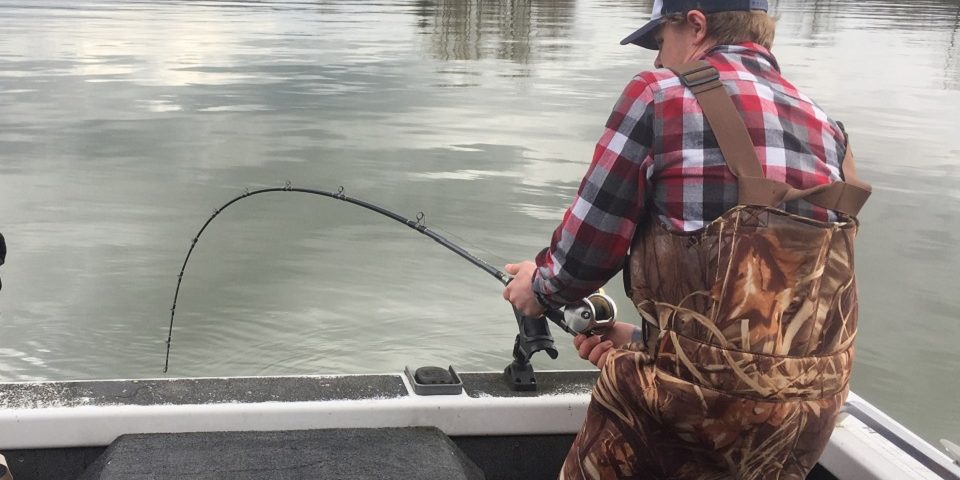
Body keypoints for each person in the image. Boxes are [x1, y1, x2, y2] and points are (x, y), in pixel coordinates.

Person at [502, 0, 871, 478]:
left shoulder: (659, 94)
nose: (657, 59)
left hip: (687, 411)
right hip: (806, 418)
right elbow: (771, 329)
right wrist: (642, 341)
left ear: (695, 25)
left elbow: (586, 250)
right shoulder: (827, 127)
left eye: (660, 41)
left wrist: (540, 287)